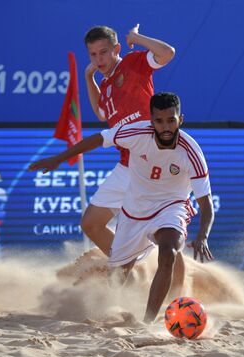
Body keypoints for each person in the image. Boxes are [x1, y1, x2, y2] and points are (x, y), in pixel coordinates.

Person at [29, 92, 214, 323]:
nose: (165, 126)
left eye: (171, 120)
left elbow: (206, 205)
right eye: (159, 121)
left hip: (171, 207)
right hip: (134, 211)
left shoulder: (191, 152)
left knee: (168, 252)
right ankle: (103, 308)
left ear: (181, 119)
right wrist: (59, 158)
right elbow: (99, 138)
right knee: (119, 275)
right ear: (151, 120)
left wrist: (203, 236)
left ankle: (147, 322)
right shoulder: (137, 133)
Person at [81, 24, 175, 257]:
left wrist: (137, 37)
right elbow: (101, 113)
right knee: (91, 223)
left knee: (163, 234)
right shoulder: (105, 84)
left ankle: (173, 284)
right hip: (127, 165)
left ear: (117, 49)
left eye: (103, 52)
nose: (98, 58)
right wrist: (88, 76)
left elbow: (167, 53)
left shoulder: (133, 63)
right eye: (93, 54)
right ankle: (127, 268)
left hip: (153, 163)